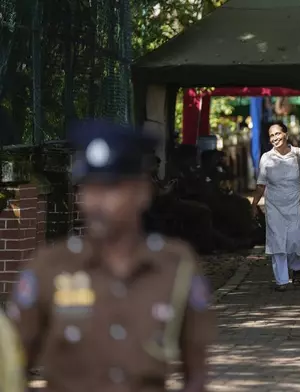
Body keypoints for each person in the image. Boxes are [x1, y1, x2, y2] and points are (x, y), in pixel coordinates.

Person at [8, 119, 214, 392]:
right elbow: (11, 369)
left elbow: (196, 375)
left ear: (142, 193)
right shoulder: (49, 267)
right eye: (88, 189)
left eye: (111, 189)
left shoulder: (175, 266)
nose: (96, 202)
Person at [251, 123, 300, 291]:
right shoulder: (266, 158)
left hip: (295, 204)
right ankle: (281, 281)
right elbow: (261, 184)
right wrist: (254, 204)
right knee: (277, 242)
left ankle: (297, 267)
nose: (275, 138)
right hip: (274, 205)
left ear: (286, 134)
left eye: (278, 134)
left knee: (295, 241)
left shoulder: (298, 154)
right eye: (271, 135)